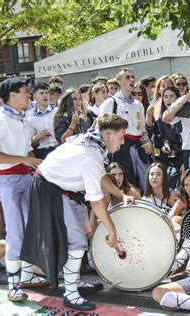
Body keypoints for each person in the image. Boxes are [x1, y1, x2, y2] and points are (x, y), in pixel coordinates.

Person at [20, 113, 136, 311]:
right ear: (108, 136)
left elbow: (101, 177)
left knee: (82, 234)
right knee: (77, 241)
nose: (123, 142)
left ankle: (76, 281)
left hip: (61, 188)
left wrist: (121, 195)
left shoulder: (93, 144)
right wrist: (113, 232)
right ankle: (71, 294)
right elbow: (98, 203)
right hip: (50, 190)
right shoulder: (89, 156)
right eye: (121, 137)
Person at [0, 77, 45, 302]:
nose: (28, 94)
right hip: (6, 181)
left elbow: (27, 153)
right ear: (12, 95)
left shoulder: (24, 120)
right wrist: (23, 160)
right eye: (24, 91)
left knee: (32, 227)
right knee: (16, 231)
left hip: (25, 177)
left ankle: (27, 274)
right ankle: (13, 284)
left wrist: (40, 167)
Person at [99, 68, 152, 191]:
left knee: (145, 182)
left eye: (133, 77)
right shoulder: (111, 103)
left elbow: (142, 129)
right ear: (119, 81)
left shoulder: (138, 104)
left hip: (138, 147)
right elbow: (100, 127)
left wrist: (147, 141)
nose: (132, 80)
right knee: (126, 182)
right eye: (127, 77)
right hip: (119, 148)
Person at [26, 83, 59, 159]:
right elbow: (28, 143)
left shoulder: (57, 111)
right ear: (35, 97)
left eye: (46, 93)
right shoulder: (29, 116)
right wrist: (38, 137)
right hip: (42, 153)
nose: (45, 95)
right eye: (41, 93)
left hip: (59, 149)